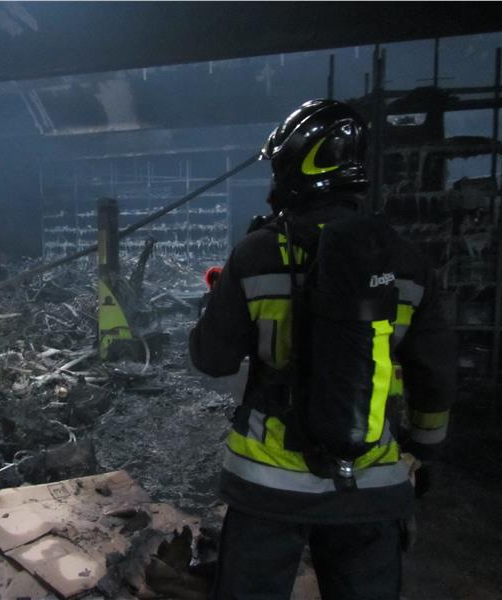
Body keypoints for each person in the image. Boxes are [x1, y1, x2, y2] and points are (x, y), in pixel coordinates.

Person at [189, 99, 456, 600]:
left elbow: (212, 359)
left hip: (267, 485)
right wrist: (424, 454)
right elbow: (434, 376)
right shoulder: (405, 261)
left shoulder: (256, 254)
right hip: (371, 483)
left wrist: (216, 300)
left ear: (295, 165)